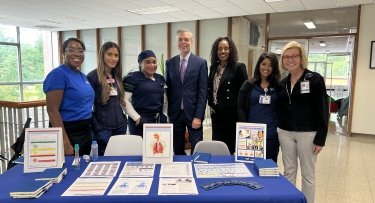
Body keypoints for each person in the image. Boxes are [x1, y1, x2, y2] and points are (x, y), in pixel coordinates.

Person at [278, 41, 329, 203]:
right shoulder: (283, 83)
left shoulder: (314, 79)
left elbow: (322, 110)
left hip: (308, 133)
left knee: (308, 174)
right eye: (286, 57)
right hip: (285, 132)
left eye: (294, 56)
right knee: (289, 171)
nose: (290, 60)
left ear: (301, 58)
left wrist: (320, 139)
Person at [43, 38, 94, 155]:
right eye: (71, 50)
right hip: (68, 131)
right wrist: (65, 142)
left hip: (85, 130)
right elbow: (52, 110)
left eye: (80, 51)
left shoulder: (82, 76)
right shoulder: (58, 74)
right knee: (71, 169)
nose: (76, 54)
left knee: (84, 168)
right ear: (63, 53)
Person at [166, 29, 208, 155]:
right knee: (177, 148)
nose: (183, 42)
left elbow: (203, 92)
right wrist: (169, 113)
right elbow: (169, 89)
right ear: (177, 43)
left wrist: (198, 116)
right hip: (176, 114)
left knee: (197, 149)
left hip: (194, 114)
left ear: (191, 42)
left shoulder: (200, 63)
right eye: (180, 39)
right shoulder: (170, 63)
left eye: (186, 39)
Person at [237, 52, 281, 163]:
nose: (266, 68)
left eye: (270, 65)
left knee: (268, 168)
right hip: (251, 135)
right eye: (264, 64)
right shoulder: (248, 85)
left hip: (271, 135)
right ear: (259, 65)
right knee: (250, 168)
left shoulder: (278, 86)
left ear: (274, 68)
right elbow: (240, 108)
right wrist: (245, 129)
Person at [207, 36, 248, 154]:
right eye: (220, 49)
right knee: (217, 147)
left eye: (226, 48)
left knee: (230, 149)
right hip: (216, 114)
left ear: (231, 50)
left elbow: (244, 93)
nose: (222, 51)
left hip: (231, 116)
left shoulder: (239, 67)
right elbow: (212, 88)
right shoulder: (214, 67)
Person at [87, 42, 127, 156]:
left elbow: (119, 100)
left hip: (120, 127)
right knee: (103, 161)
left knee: (119, 157)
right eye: (109, 54)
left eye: (116, 55)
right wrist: (97, 128)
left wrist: (124, 121)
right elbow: (87, 106)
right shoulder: (92, 77)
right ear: (102, 56)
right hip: (103, 129)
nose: (113, 58)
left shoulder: (117, 76)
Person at [123, 50, 167, 137]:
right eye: (148, 62)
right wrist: (137, 118)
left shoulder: (160, 78)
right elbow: (124, 100)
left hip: (157, 121)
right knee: (139, 148)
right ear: (140, 63)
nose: (152, 65)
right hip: (139, 121)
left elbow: (165, 99)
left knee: (155, 148)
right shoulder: (132, 78)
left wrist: (164, 115)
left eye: (154, 62)